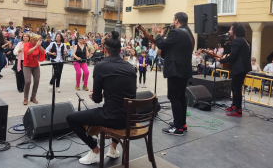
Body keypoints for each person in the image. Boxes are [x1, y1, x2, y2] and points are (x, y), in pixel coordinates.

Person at [66, 31, 136, 165]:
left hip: (111, 117)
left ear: (104, 50)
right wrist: (106, 95)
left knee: (71, 118)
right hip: (130, 117)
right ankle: (113, 148)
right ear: (120, 50)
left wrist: (97, 95)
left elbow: (97, 99)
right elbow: (126, 93)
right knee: (116, 109)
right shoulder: (130, 68)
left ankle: (96, 150)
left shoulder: (101, 66)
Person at [152, 12, 194, 136]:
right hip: (185, 70)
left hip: (175, 70)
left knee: (174, 98)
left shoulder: (176, 33)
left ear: (176, 21)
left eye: (173, 19)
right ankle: (182, 123)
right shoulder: (189, 33)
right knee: (181, 97)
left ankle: (178, 127)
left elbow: (161, 45)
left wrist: (159, 35)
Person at [217, 22, 251, 117]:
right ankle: (234, 105)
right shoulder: (242, 40)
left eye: (231, 29)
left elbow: (233, 56)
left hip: (239, 68)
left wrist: (221, 60)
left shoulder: (237, 41)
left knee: (236, 89)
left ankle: (238, 109)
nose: (229, 31)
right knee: (234, 87)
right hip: (241, 68)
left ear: (235, 31)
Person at [23, 34, 45, 105]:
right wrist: (36, 46)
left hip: (35, 65)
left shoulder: (38, 45)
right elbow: (27, 52)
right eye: (34, 41)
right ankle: (25, 98)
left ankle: (33, 97)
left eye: (37, 41)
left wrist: (40, 46)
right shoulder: (26, 45)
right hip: (27, 65)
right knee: (28, 81)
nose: (35, 42)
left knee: (36, 80)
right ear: (31, 40)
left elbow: (42, 52)